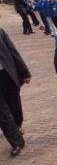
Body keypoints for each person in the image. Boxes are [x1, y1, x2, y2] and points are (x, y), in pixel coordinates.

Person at [0, 24, 31, 156]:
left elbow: (13, 51)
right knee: (2, 113)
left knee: (14, 106)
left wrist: (25, 72)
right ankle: (16, 141)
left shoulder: (0, 32)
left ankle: (17, 126)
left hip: (7, 75)